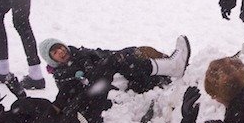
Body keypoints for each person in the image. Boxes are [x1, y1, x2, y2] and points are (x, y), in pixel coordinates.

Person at [39, 35, 190, 94]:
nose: (60, 51)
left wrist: (122, 53)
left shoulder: (78, 53)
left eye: (59, 47)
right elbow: (80, 90)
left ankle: (171, 65)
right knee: (123, 60)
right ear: (52, 59)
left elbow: (100, 54)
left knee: (138, 52)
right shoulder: (62, 76)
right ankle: (173, 67)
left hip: (109, 70)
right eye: (55, 52)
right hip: (104, 84)